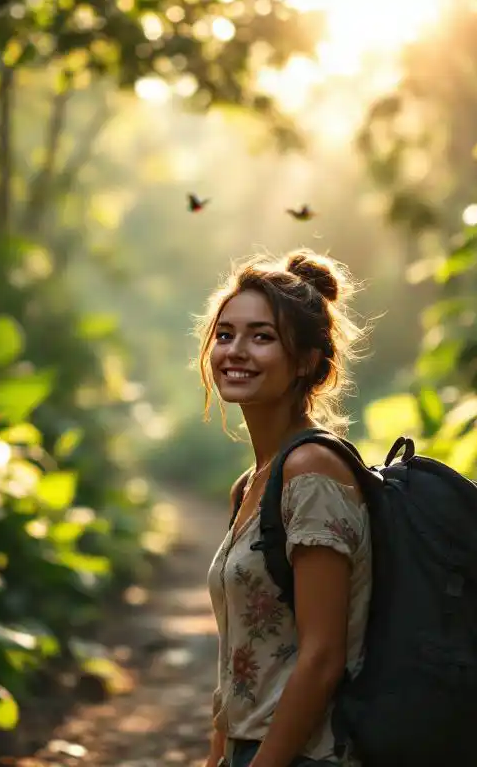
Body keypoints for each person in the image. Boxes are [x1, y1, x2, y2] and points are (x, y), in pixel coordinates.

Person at [195, 249, 371, 767]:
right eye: (225, 335)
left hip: (306, 755)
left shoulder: (312, 472)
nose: (236, 351)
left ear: (307, 362)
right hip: (248, 750)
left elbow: (322, 658)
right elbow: (236, 663)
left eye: (262, 336)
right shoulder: (252, 484)